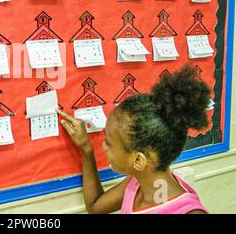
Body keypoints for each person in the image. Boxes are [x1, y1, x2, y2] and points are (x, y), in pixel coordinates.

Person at [56, 65, 210, 214]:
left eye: (109, 143)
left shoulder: (188, 211)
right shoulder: (137, 184)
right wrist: (86, 150)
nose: (103, 146)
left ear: (138, 160)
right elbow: (96, 207)